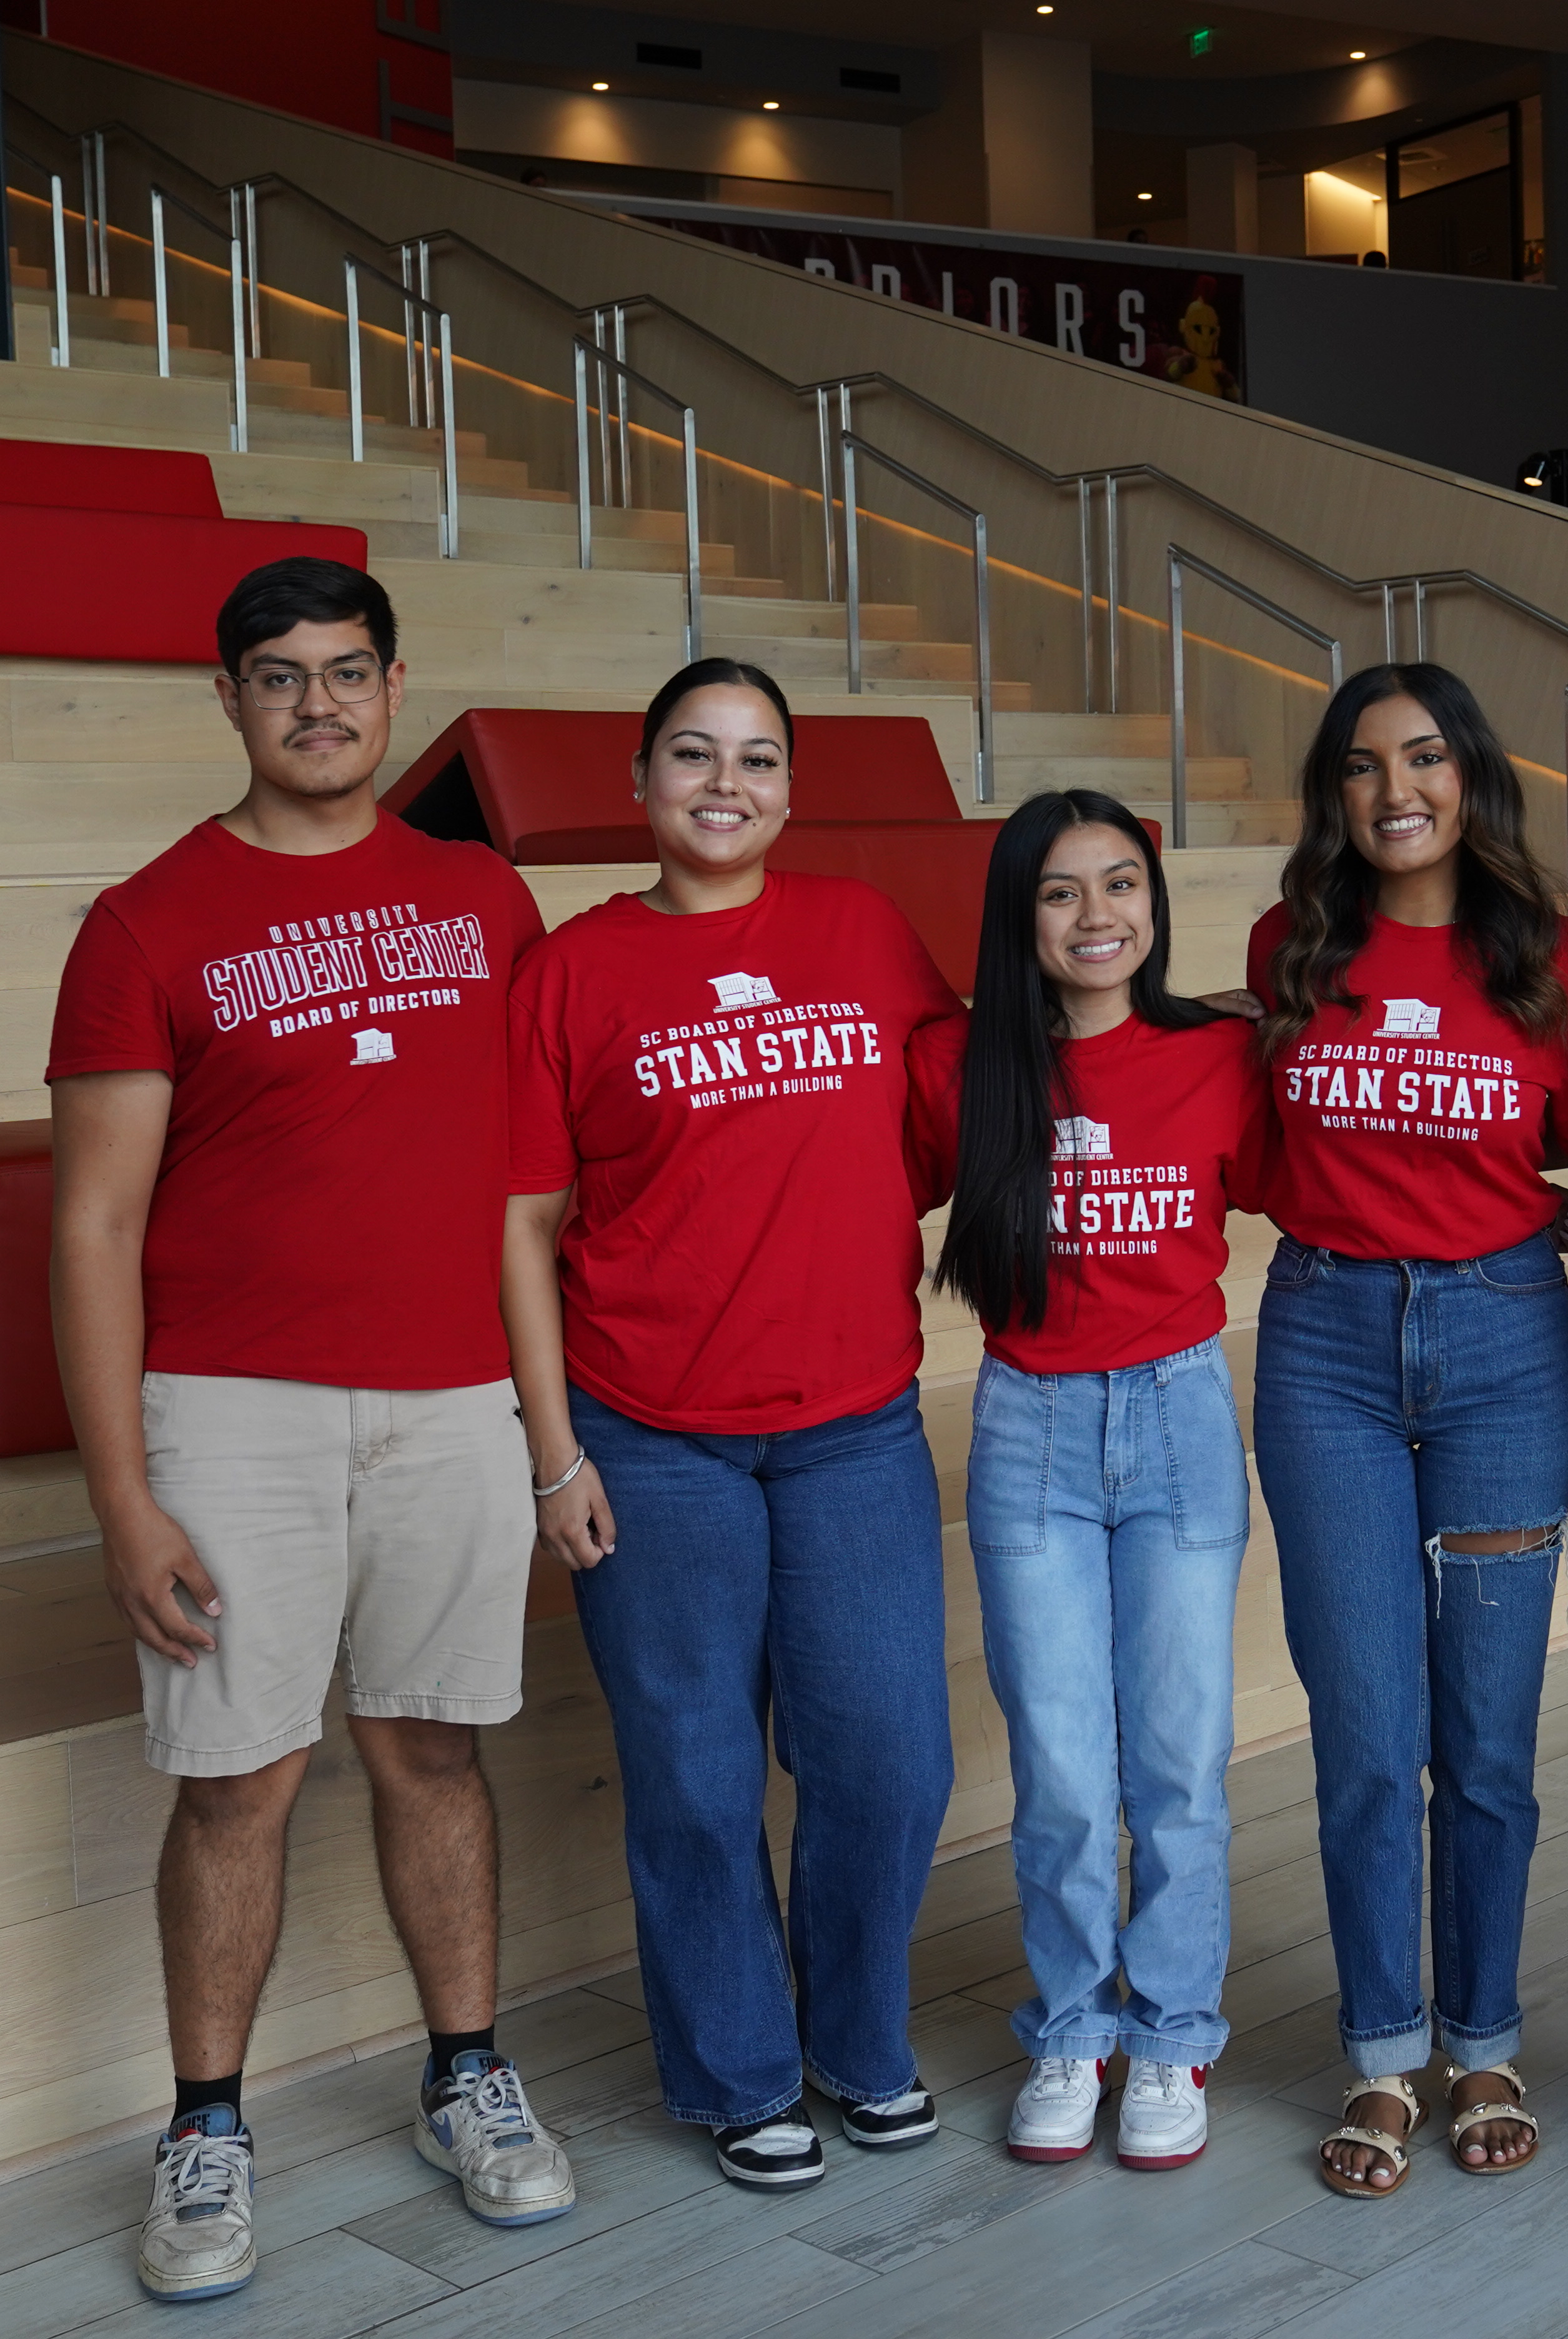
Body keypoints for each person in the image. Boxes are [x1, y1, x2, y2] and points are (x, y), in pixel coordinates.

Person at [46, 557, 570, 2305]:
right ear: (230, 701)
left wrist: (544, 1430)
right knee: (239, 1780)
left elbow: (524, 1190)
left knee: (433, 1751)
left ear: (396, 688)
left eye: (348, 673)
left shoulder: (486, 900)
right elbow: (94, 1228)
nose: (319, 705)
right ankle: (205, 2129)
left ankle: (466, 2076)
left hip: (449, 1407)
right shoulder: (141, 922)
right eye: (281, 677)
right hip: (233, 1417)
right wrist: (125, 1497)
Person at [501, 660, 966, 2192]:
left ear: (790, 785)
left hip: (851, 1423)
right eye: (694, 754)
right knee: (696, 1776)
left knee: (888, 1757)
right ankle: (739, 2072)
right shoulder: (576, 970)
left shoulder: (863, 933)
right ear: (640, 781)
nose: (726, 782)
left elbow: (947, 1125)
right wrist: (553, 1448)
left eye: (758, 757)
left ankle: (856, 2042)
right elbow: (525, 1223)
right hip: (650, 1431)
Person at [1246, 662, 1568, 2199]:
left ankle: (1487, 2037)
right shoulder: (1293, 946)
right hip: (1324, 1341)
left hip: (1502, 1347)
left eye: (1425, 756)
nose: (1394, 788)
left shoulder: (1554, 960)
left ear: (1472, 774)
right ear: (1334, 793)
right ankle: (1386, 2053)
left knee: (1487, 1738)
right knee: (1364, 1734)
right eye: (1360, 765)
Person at [906, 791, 1271, 2173]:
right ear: (1020, 916)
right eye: (1063, 892)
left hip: (1178, 1413)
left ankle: (1172, 2035)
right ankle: (1075, 2023)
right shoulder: (962, 1066)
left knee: (1178, 1760)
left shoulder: (1217, 1057)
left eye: (1123, 884)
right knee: (1062, 1764)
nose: (1100, 915)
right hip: (1027, 1429)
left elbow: (1345, 1184)